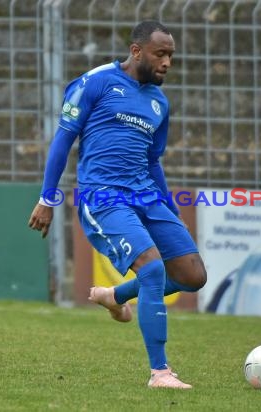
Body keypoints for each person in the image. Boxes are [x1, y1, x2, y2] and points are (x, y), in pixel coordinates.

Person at [28, 20, 207, 389]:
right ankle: (160, 372)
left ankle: (114, 296)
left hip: (147, 195)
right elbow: (63, 141)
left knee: (192, 276)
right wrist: (48, 198)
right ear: (137, 50)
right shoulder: (95, 82)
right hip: (104, 197)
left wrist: (172, 213)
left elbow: (153, 161)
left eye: (171, 55)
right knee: (154, 271)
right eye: (161, 54)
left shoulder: (159, 102)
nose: (168, 63)